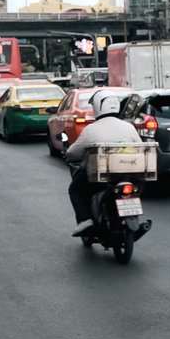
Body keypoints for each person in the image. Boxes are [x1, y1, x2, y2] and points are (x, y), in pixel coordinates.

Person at [65, 90, 141, 234]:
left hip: (100, 177)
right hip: (129, 174)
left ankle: (85, 219)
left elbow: (73, 153)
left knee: (75, 190)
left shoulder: (91, 129)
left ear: (98, 107)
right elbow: (139, 147)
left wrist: (68, 154)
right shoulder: (128, 127)